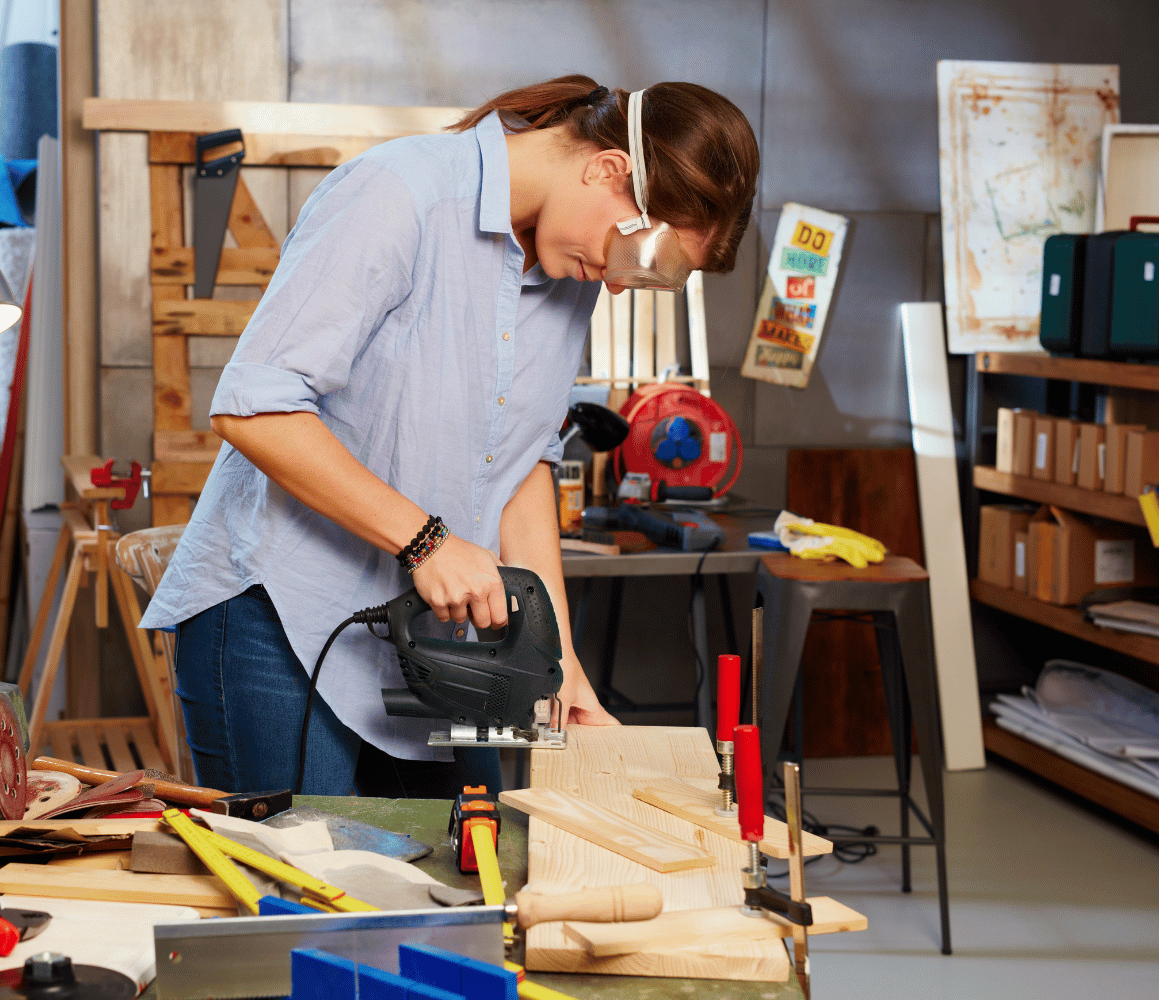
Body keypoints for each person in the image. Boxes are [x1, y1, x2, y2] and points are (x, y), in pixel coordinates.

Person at [140, 74, 759, 799]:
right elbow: (255, 407)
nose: (621, 286)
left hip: (427, 642)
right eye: (638, 257)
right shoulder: (400, 194)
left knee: (450, 890)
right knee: (304, 896)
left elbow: (524, 464)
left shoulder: (572, 268)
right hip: (280, 619)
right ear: (607, 169)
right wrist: (424, 541)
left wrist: (562, 666)